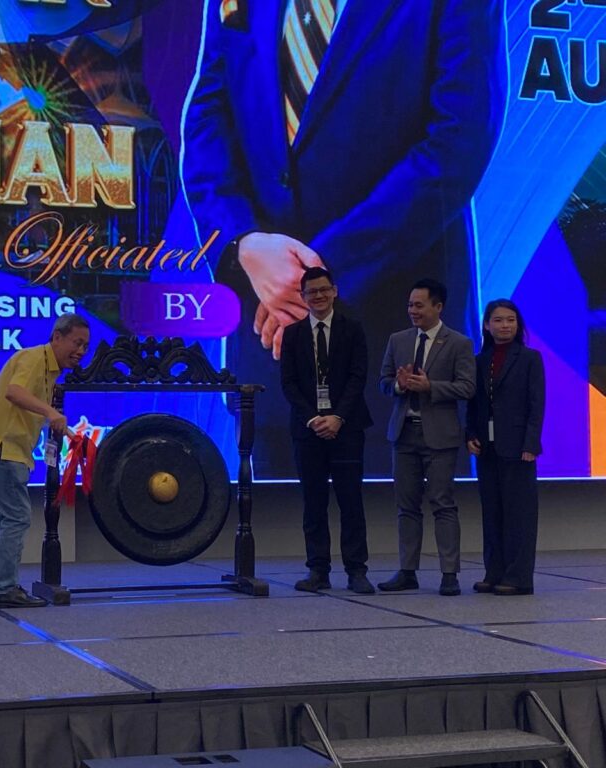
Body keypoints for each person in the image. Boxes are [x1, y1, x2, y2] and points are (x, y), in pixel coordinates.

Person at [181, 0, 506, 477]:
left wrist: (323, 275)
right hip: (273, 363)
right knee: (276, 524)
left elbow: (457, 144)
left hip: (399, 360)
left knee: (417, 524)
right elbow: (207, 120)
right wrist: (242, 244)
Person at [0, 314, 90, 609]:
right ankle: (6, 589)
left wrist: (62, 427)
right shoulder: (34, 358)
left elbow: (31, 406)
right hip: (4, 447)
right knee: (17, 516)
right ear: (57, 337)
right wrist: (51, 413)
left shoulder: (50, 369)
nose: (80, 351)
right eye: (77, 343)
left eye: (85, 347)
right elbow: (14, 392)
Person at [378, 279, 476, 596]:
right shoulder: (398, 340)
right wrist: (399, 385)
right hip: (403, 433)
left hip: (440, 436)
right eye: (410, 305)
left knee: (443, 504)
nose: (413, 311)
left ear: (438, 307)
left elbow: (467, 387)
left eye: (419, 305)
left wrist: (430, 386)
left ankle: (449, 574)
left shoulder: (459, 343)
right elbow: (383, 382)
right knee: (406, 506)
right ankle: (408, 571)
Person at [280, 267, 373, 594]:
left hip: (347, 429)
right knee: (313, 502)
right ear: (303, 296)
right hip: (308, 431)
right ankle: (317, 570)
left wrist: (337, 417)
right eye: (311, 292)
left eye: (323, 290)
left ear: (334, 291)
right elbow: (289, 383)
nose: (318, 296)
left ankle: (356, 571)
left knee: (351, 501)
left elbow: (358, 377)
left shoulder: (353, 329)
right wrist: (313, 418)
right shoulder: (292, 334)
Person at [466, 300, 545, 596]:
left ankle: (519, 577)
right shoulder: (480, 360)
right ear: (487, 325)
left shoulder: (529, 358)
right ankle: (494, 572)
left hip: (519, 447)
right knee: (492, 512)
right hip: (487, 448)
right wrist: (470, 434)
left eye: (511, 320)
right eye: (498, 320)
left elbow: (536, 404)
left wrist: (531, 443)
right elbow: (473, 404)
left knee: (519, 515)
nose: (505, 325)